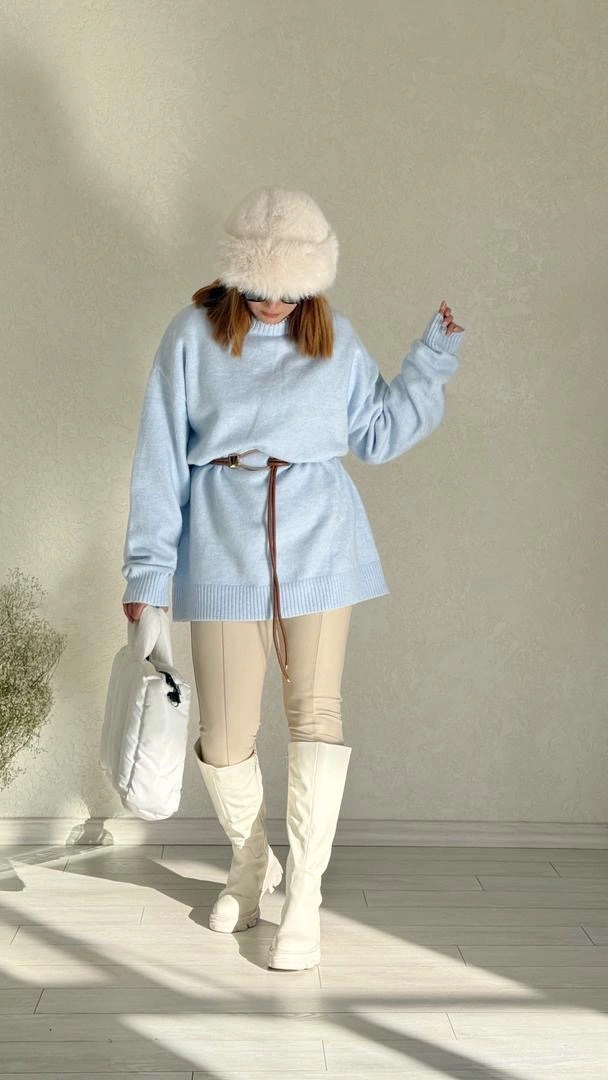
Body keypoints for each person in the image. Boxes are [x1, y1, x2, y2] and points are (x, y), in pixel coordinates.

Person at [120, 185, 466, 971]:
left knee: (317, 716)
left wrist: (432, 358)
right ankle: (251, 864)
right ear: (236, 273)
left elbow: (378, 433)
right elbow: (158, 456)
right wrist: (147, 572)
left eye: (289, 288)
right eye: (260, 285)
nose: (273, 303)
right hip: (221, 545)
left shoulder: (334, 339)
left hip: (321, 544)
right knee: (224, 733)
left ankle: (303, 896)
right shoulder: (191, 338)